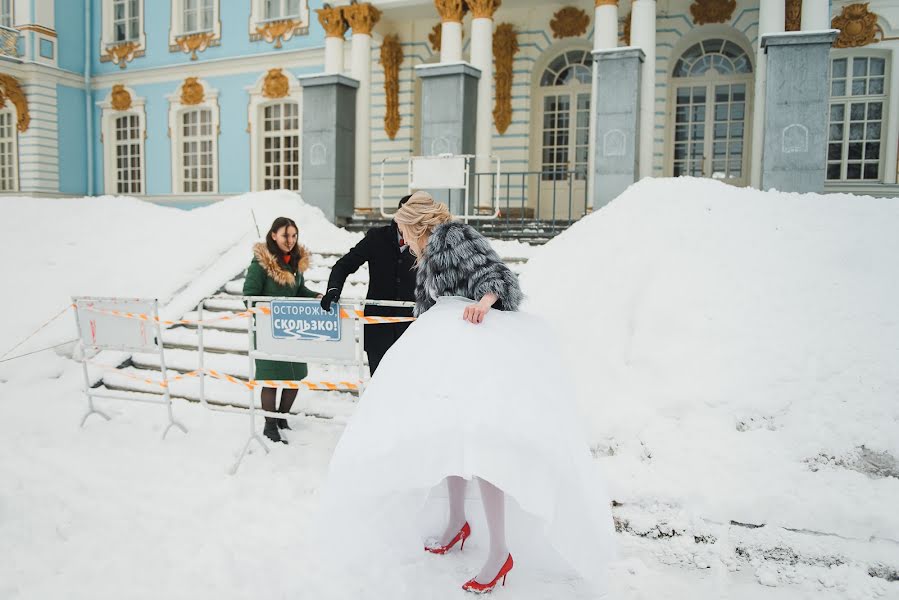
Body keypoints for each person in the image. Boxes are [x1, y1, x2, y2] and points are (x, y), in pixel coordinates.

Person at [315, 192, 615, 595]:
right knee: (451, 439)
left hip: (478, 352)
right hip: (451, 354)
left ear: (416, 223)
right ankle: (458, 521)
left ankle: (500, 552)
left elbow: (499, 277)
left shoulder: (453, 235)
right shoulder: (428, 250)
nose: (400, 238)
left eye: (403, 229)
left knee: (485, 449)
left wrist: (485, 302)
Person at [243, 217, 321, 445]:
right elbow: (249, 296)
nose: (290, 240)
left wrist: (317, 296)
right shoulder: (261, 264)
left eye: (294, 235)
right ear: (274, 235)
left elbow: (299, 291)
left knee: (294, 377)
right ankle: (270, 425)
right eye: (286, 235)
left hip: (293, 331)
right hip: (270, 332)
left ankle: (281, 418)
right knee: (272, 379)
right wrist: (272, 309)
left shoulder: (295, 262)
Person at [320, 195, 417, 375]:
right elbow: (344, 265)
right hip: (378, 330)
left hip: (413, 330)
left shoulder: (428, 242)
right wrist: (333, 289)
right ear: (397, 216)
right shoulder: (376, 238)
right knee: (379, 386)